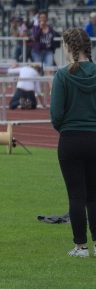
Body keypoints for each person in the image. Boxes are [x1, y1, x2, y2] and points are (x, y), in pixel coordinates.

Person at [50, 28, 96, 258]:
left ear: (67, 47)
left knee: (76, 195)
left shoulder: (63, 75)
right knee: (94, 195)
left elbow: (56, 114)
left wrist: (66, 129)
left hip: (71, 139)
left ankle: (81, 246)